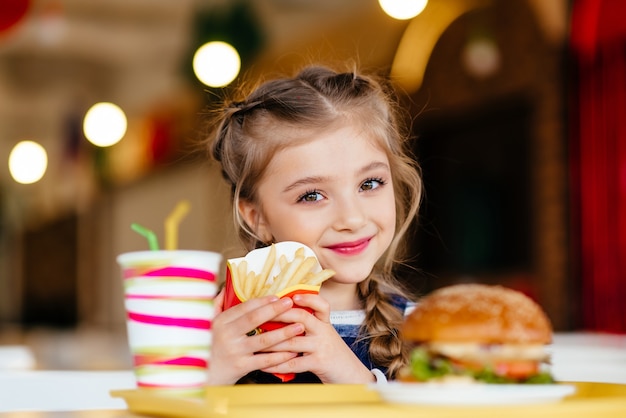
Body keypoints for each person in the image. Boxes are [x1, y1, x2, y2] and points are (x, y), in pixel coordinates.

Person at [205, 64, 423, 385]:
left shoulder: (423, 329)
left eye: (370, 183)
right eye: (312, 196)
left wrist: (352, 378)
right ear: (258, 218)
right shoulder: (212, 330)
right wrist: (205, 374)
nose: (352, 218)